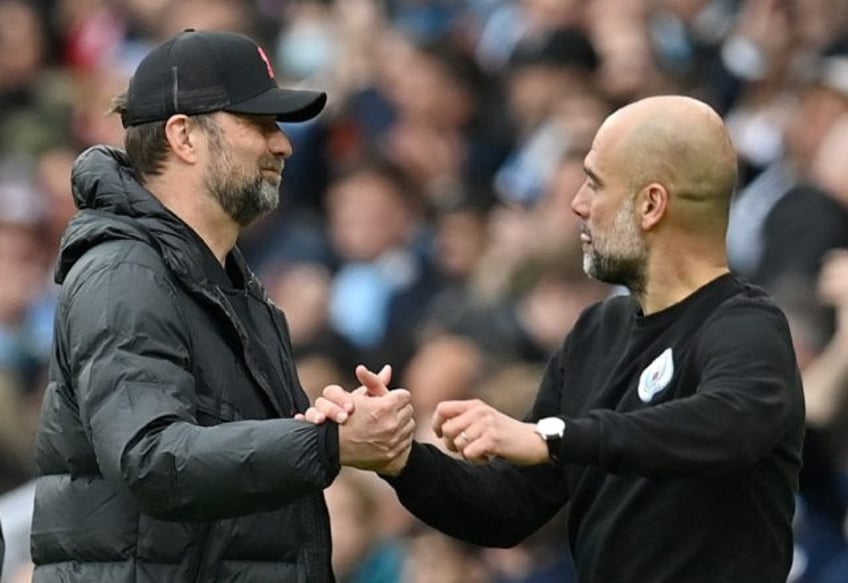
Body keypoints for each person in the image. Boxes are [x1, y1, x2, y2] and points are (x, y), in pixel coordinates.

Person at [305, 95, 806, 582]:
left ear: (652, 204)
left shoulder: (744, 325)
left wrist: (555, 437)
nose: (576, 204)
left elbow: (731, 424)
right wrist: (401, 459)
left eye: (594, 183)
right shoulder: (596, 334)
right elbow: (508, 510)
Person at [30, 29, 414, 583]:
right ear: (184, 136)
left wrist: (323, 426)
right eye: (258, 123)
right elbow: (152, 460)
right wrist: (323, 444)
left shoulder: (230, 284)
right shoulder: (125, 273)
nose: (282, 144)